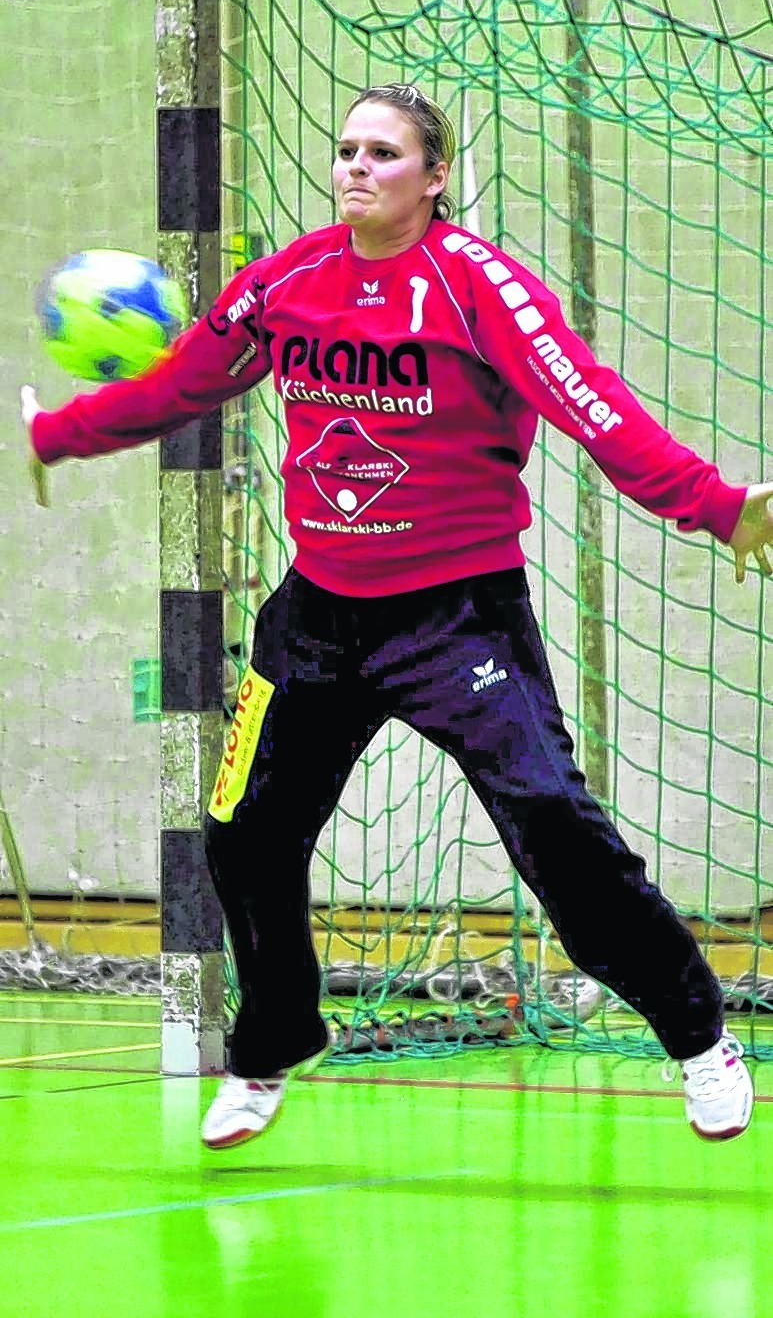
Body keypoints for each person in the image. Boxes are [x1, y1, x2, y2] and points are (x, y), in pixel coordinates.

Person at [23, 83, 770, 1149]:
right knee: (242, 833)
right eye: (345, 150)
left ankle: (698, 1036)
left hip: (456, 618)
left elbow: (587, 403)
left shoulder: (479, 287)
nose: (356, 167)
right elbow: (186, 382)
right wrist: (61, 434)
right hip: (316, 618)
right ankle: (273, 1038)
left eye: (383, 152)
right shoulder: (284, 284)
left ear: (434, 176)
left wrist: (714, 506)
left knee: (554, 827)